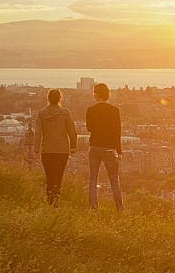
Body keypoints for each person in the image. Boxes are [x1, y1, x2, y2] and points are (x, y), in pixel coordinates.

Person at [33, 88, 77, 206]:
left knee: (49, 177)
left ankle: (50, 202)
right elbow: (72, 131)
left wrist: (36, 150)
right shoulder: (65, 113)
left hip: (47, 150)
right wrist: (73, 146)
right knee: (58, 177)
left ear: (48, 99)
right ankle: (55, 201)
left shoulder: (41, 113)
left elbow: (38, 133)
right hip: (62, 151)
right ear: (60, 98)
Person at [85, 82, 124, 211]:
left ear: (96, 95)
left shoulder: (90, 110)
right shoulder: (114, 111)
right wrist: (119, 150)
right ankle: (119, 208)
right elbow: (117, 132)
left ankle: (93, 208)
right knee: (114, 180)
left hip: (95, 146)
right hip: (109, 148)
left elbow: (89, 128)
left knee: (93, 180)